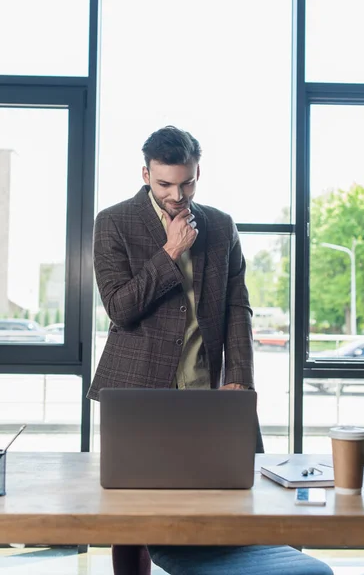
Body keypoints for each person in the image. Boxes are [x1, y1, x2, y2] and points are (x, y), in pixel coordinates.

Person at [87, 125, 263, 575]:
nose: (177, 194)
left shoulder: (221, 226)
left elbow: (237, 306)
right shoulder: (113, 221)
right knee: (132, 521)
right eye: (165, 184)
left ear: (198, 172)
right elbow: (120, 307)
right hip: (136, 390)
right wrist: (170, 251)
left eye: (186, 182)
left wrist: (238, 378)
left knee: (218, 505)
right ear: (145, 174)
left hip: (206, 389)